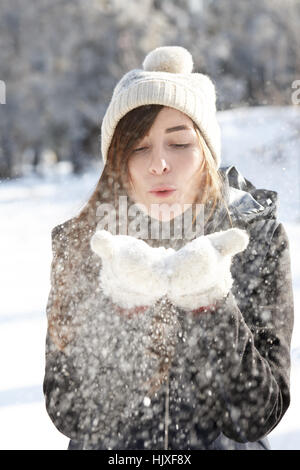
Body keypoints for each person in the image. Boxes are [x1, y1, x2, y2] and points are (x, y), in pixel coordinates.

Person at [43, 46, 294, 450]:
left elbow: (257, 415)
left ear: (207, 153)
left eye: (179, 144)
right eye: (139, 147)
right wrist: (122, 311)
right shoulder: (88, 245)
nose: (158, 163)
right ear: (117, 161)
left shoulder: (252, 238)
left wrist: (212, 303)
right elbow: (71, 411)